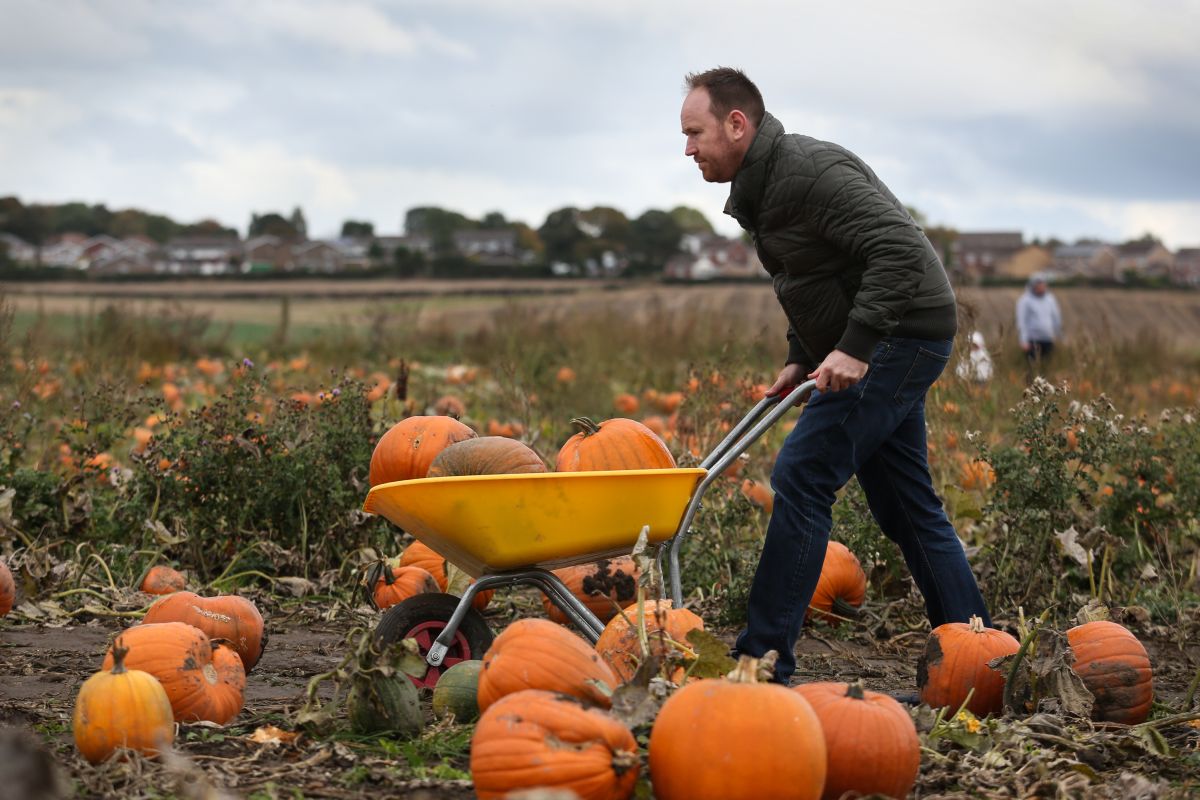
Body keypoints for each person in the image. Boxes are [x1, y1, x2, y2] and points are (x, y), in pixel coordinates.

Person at [680, 67, 992, 684]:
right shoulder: (765, 183)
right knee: (904, 503)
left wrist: (855, 348)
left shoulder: (810, 174)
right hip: (892, 335)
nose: (687, 149)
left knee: (802, 474)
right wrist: (803, 352)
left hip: (901, 334)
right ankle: (982, 651)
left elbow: (899, 252)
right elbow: (814, 277)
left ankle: (762, 660)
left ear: (737, 124)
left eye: (695, 132)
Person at [1016, 274, 1062, 372]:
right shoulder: (1025, 300)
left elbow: (1056, 318)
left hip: (1048, 338)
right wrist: (1023, 340)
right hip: (1032, 340)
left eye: (1043, 285)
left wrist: (1059, 335)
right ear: (1033, 286)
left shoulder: (1050, 299)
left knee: (1046, 367)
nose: (1041, 288)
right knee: (1032, 367)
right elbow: (1021, 321)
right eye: (1038, 286)